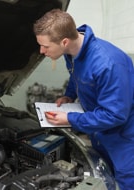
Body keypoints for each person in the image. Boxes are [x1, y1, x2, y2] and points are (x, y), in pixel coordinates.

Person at [33, 9, 134, 189]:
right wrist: (69, 95)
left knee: (127, 180)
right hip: (98, 130)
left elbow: (116, 115)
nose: (41, 51)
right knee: (103, 176)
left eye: (45, 46)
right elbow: (76, 76)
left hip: (124, 137)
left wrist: (70, 119)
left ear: (64, 41)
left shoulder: (108, 64)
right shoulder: (72, 52)